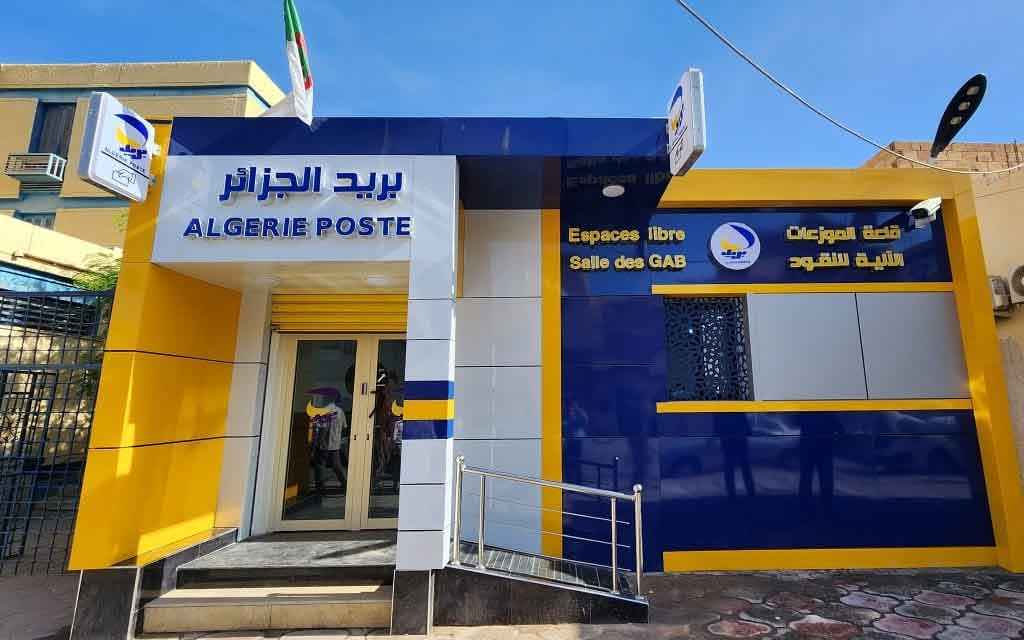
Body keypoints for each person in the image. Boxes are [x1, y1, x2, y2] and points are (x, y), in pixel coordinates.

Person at [306, 386, 348, 495]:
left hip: (323, 444)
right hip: (335, 445)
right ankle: (345, 484)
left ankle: (320, 489)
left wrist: (317, 443)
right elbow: (344, 427)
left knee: (320, 466)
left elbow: (323, 428)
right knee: (337, 466)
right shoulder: (340, 411)